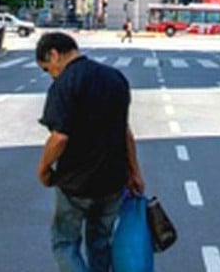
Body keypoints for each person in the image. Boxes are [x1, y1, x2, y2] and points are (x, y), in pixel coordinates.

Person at [36, 32, 144, 272]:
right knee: (100, 242)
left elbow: (59, 137)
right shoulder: (115, 78)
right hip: (113, 181)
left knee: (64, 243)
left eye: (47, 69)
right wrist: (135, 172)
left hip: (76, 184)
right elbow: (125, 132)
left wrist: (44, 168)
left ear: (54, 54)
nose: (51, 74)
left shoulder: (64, 84)